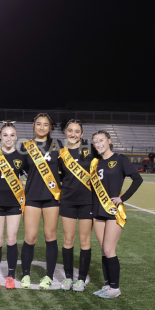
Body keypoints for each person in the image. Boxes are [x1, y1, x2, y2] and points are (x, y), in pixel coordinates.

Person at [91, 130, 143, 299]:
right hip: (98, 210)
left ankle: (115, 288)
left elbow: (137, 179)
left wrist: (122, 198)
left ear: (109, 141)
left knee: (109, 249)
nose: (98, 144)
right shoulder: (95, 163)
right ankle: (107, 285)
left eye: (101, 140)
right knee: (103, 250)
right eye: (95, 142)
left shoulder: (120, 159)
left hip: (113, 211)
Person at [20, 113, 61, 290]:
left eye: (46, 125)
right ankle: (26, 275)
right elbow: (19, 169)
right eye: (39, 124)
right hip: (32, 197)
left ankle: (48, 276)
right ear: (34, 126)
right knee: (30, 237)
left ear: (50, 127)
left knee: (50, 237)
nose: (42, 127)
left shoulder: (57, 146)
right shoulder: (26, 147)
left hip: (52, 198)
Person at [0, 121, 27, 289]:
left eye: (12, 135)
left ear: (16, 136)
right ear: (0, 137)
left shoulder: (21, 157)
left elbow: (29, 176)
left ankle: (10, 276)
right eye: (5, 135)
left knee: (11, 239)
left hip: (13, 203)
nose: (9, 138)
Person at [58, 120, 93, 292]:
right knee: (68, 240)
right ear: (65, 132)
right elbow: (56, 176)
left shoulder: (92, 151)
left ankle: (81, 278)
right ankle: (68, 277)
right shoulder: (61, 153)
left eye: (77, 131)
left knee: (85, 241)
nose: (73, 134)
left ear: (82, 134)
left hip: (87, 201)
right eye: (70, 130)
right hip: (68, 201)